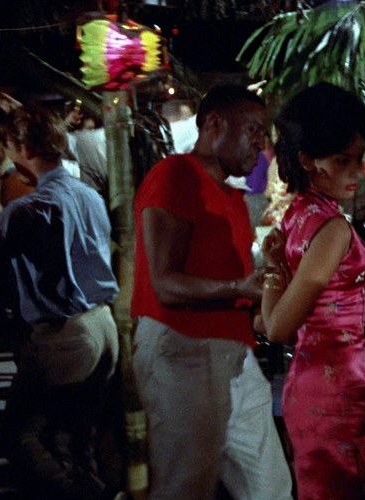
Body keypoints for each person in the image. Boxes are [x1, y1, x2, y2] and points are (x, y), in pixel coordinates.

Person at [0, 107, 120, 499]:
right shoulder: (87, 195)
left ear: (23, 147)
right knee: (78, 439)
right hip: (102, 326)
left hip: (65, 337)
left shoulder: (33, 207)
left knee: (23, 437)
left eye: (8, 148)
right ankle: (91, 488)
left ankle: (81, 493)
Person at [131, 84, 292, 500]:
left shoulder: (233, 198)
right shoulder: (176, 174)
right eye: (253, 129)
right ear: (215, 124)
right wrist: (239, 287)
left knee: (270, 486)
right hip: (183, 349)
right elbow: (165, 283)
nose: (261, 143)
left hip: (234, 354)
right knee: (184, 486)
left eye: (264, 133)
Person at [260, 83, 365, 500]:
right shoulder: (332, 229)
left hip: (311, 383)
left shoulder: (298, 214)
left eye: (358, 159)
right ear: (307, 161)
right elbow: (277, 329)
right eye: (341, 161)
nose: (356, 172)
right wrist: (273, 271)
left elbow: (272, 318)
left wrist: (274, 268)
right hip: (336, 393)